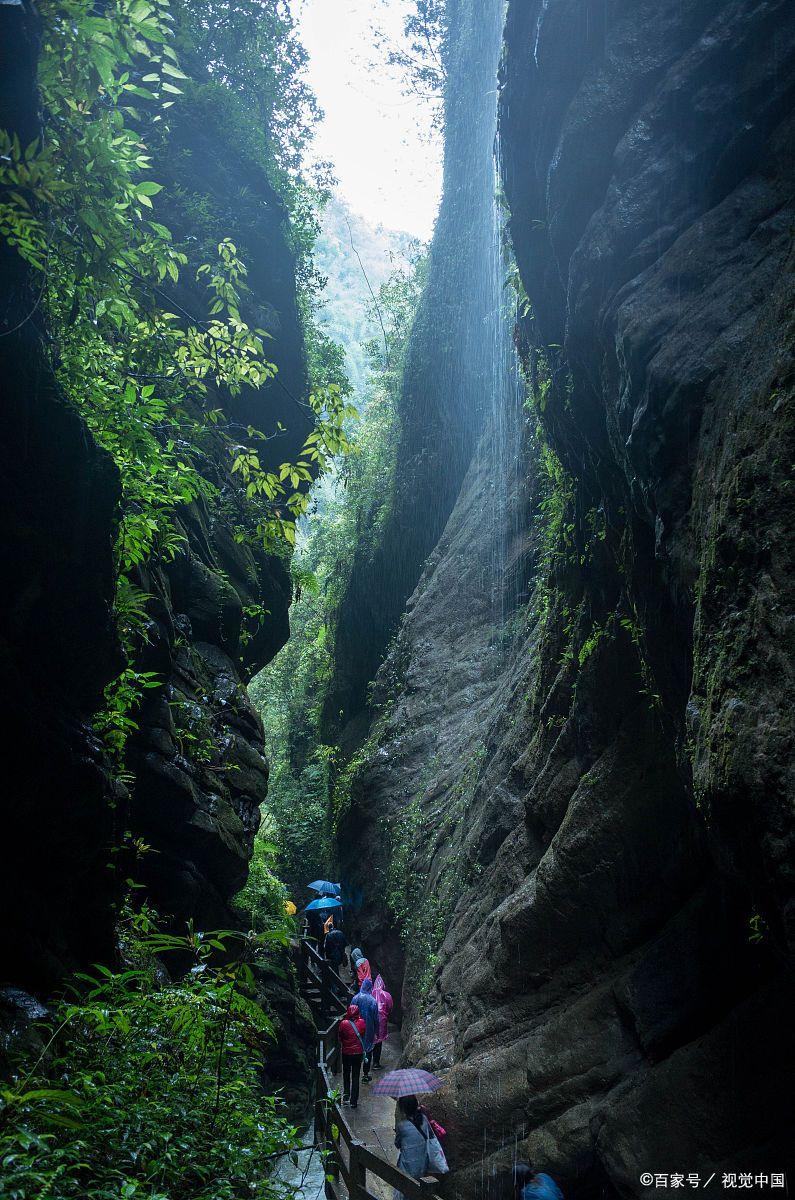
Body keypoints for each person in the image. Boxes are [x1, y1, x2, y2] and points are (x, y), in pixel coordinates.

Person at [393, 1095, 433, 1199]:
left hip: (408, 1166)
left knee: (403, 1190)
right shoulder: (424, 1119)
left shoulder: (402, 1126)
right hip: (423, 1164)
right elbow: (429, 1136)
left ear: (403, 1109)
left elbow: (397, 1144)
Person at [338, 1003, 366, 1109]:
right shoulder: (362, 1022)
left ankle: (346, 1096)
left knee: (346, 1074)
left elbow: (340, 1037)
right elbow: (362, 1034)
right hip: (358, 1053)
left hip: (346, 1053)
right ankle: (354, 1101)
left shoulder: (343, 1023)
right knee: (355, 1076)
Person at [351, 976, 378, 1081]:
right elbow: (376, 1018)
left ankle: (356, 1073)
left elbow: (350, 1013)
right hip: (369, 1029)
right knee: (368, 1050)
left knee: (357, 1049)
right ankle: (365, 1074)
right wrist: (376, 1031)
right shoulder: (373, 1001)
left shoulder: (355, 998)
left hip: (356, 1028)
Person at [371, 974, 393, 1069]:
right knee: (378, 1042)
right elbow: (390, 1007)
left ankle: (367, 1062)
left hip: (371, 1020)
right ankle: (376, 1063)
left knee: (370, 1040)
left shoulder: (370, 994)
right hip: (382, 1020)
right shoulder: (387, 995)